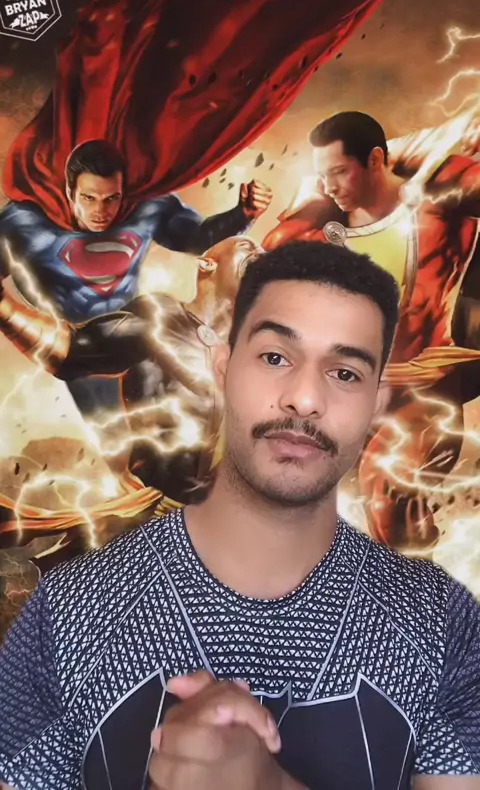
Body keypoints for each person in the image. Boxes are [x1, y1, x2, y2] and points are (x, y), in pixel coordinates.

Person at [0, 241, 479, 790]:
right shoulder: (66, 613)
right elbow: (72, 348)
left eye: (345, 372)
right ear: (223, 368)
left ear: (376, 402)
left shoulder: (442, 624)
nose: (305, 398)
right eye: (275, 357)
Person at [263, 111, 480, 551]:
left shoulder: (438, 202)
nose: (330, 185)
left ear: (376, 160)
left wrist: (428, 150)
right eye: (323, 175)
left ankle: (412, 585)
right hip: (342, 398)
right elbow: (269, 256)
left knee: (386, 490)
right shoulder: (319, 228)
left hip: (420, 398)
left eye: (339, 172)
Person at [0, 138, 272, 421]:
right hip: (80, 344)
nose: (100, 211)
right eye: (89, 198)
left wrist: (242, 214)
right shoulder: (24, 224)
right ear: (70, 191)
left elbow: (199, 240)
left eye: (112, 198)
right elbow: (71, 353)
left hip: (131, 337)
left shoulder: (146, 209)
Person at [0, 236, 260, 509]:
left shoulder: (250, 358)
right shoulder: (161, 317)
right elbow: (73, 351)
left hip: (209, 516)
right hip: (150, 507)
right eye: (247, 246)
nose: (259, 254)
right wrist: (5, 307)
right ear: (207, 264)